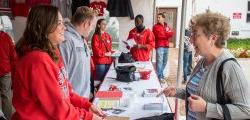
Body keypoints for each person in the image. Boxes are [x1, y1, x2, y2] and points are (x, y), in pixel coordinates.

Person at [13, 5, 105, 120]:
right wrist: (88, 117)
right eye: (59, 23)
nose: (64, 28)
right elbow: (57, 106)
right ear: (43, 26)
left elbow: (66, 92)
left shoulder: (53, 52)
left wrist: (87, 105)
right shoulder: (38, 60)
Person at [158, 11, 250, 119]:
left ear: (213, 38)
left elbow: (246, 110)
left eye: (196, 34)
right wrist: (177, 92)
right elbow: (199, 95)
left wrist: (207, 108)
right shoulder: (202, 62)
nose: (191, 39)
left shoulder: (229, 67)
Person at [59, 6, 97, 98]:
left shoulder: (81, 39)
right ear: (86, 24)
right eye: (92, 26)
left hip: (83, 98)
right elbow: (61, 76)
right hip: (73, 101)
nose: (92, 30)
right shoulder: (66, 40)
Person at [0, 30, 16, 119]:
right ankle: (7, 118)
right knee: (6, 95)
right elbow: (13, 55)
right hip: (5, 71)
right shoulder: (5, 36)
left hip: (4, 70)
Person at [153, 13, 173, 81]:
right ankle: (159, 77)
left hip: (166, 46)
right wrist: (166, 35)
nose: (158, 19)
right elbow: (158, 36)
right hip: (159, 46)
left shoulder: (167, 26)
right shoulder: (155, 27)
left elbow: (171, 33)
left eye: (159, 17)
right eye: (157, 17)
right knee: (159, 61)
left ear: (163, 18)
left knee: (165, 61)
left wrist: (165, 34)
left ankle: (160, 74)